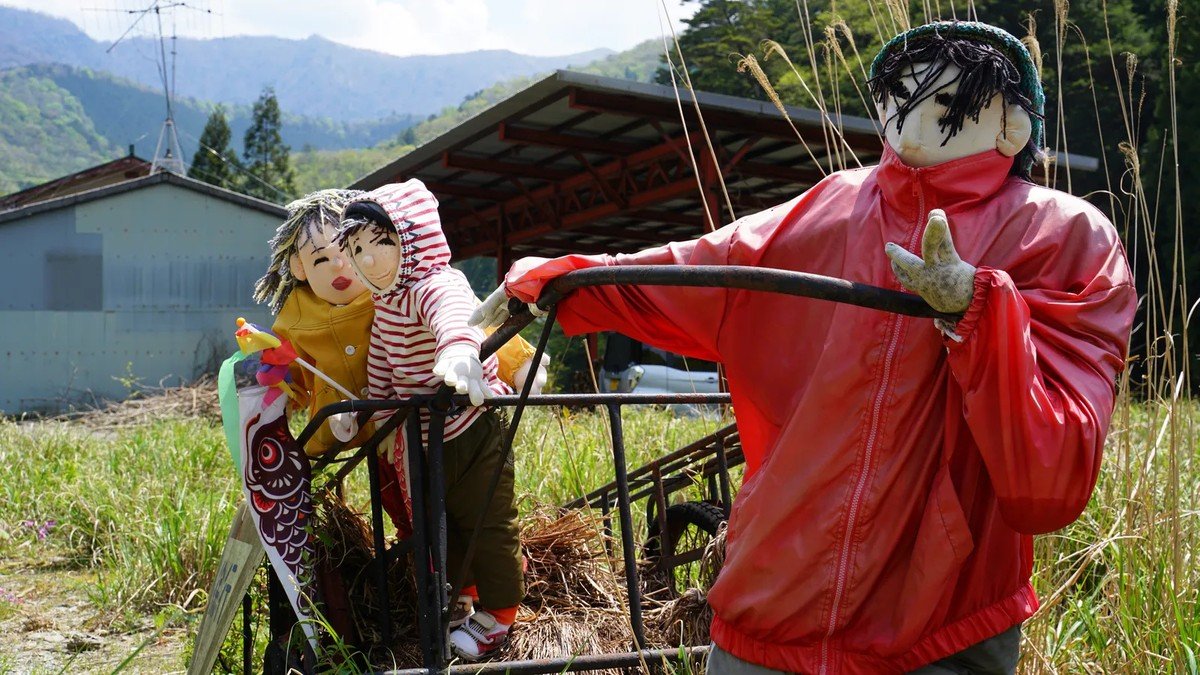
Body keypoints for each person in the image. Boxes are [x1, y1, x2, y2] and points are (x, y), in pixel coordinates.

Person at [472, 21, 1136, 674]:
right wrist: (556, 282)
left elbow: (1050, 480)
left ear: (1011, 125)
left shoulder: (1064, 238)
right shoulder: (833, 207)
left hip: (941, 621)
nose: (907, 119)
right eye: (895, 98)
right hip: (774, 594)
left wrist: (979, 310)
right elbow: (698, 270)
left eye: (942, 101)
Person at [334, 179, 525, 660]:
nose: (368, 259)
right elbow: (381, 372)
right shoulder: (385, 306)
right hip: (427, 439)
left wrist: (460, 352)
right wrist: (374, 423)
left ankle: (501, 615)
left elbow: (454, 318)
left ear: (412, 239)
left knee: (487, 522)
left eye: (381, 242)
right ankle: (468, 598)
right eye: (357, 248)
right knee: (447, 524)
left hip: (474, 426)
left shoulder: (434, 284)